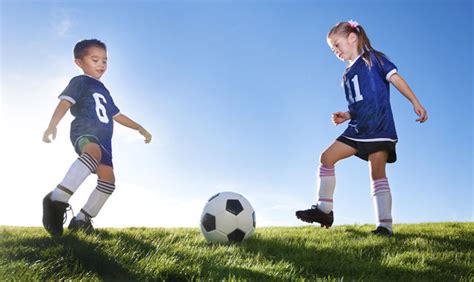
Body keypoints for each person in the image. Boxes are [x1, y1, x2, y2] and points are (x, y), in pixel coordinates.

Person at [295, 20, 428, 236]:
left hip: (379, 126)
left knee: (377, 173)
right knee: (326, 158)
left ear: (352, 38)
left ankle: (385, 226)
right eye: (332, 49)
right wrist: (347, 115)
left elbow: (395, 79)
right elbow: (360, 102)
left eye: (337, 45)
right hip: (358, 128)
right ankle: (324, 210)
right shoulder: (346, 75)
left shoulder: (373, 59)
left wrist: (415, 101)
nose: (335, 51)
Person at [42, 39, 152, 236]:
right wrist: (52, 125)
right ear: (79, 62)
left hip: (105, 139)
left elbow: (117, 115)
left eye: (105, 60)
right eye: (95, 60)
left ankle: (82, 220)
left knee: (108, 180)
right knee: (92, 153)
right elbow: (65, 103)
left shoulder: (104, 91)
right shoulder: (80, 81)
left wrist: (139, 128)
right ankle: (56, 200)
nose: (101, 64)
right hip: (85, 128)